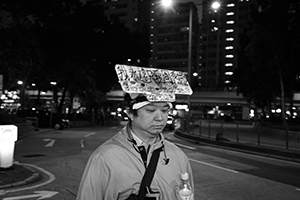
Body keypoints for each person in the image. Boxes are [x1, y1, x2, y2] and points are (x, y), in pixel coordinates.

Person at [76, 65, 194, 200]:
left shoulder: (179, 156)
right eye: (150, 110)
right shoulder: (104, 158)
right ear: (131, 114)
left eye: (165, 110)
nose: (160, 118)